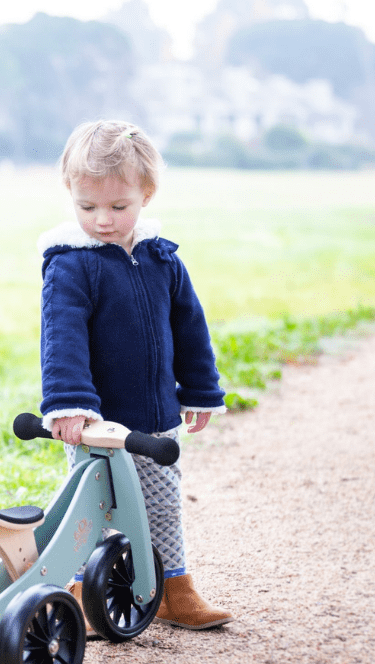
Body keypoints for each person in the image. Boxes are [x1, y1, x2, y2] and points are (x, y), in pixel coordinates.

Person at [38, 119, 233, 630]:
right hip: (96, 423)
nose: (102, 220)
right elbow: (62, 337)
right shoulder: (71, 264)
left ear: (146, 194)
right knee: (92, 513)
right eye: (88, 207)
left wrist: (200, 391)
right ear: (70, 195)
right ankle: (82, 593)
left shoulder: (162, 259)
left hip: (156, 420)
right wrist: (70, 403)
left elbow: (190, 330)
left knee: (163, 506)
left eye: (117, 207)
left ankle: (173, 590)